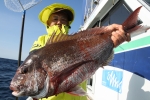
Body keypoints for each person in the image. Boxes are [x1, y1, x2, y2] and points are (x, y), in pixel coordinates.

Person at [29, 3, 131, 100]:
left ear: (68, 24)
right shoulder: (41, 41)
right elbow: (33, 62)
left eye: (63, 19)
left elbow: (95, 56)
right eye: (55, 19)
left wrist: (110, 40)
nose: (59, 22)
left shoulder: (76, 39)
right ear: (48, 23)